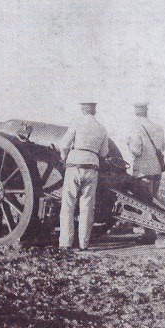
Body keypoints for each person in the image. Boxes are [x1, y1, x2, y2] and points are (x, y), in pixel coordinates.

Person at [57, 101, 110, 251]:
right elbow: (104, 153)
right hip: (92, 166)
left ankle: (65, 242)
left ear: (83, 109)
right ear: (94, 111)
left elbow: (64, 145)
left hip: (74, 164)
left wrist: (64, 158)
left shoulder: (77, 123)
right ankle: (83, 244)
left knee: (68, 204)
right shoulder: (102, 128)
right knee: (87, 207)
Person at [126, 102, 165, 203]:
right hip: (157, 172)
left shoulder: (136, 127)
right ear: (146, 110)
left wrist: (128, 144)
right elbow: (162, 147)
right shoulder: (158, 128)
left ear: (136, 111)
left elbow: (136, 151)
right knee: (153, 205)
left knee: (142, 205)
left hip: (143, 173)